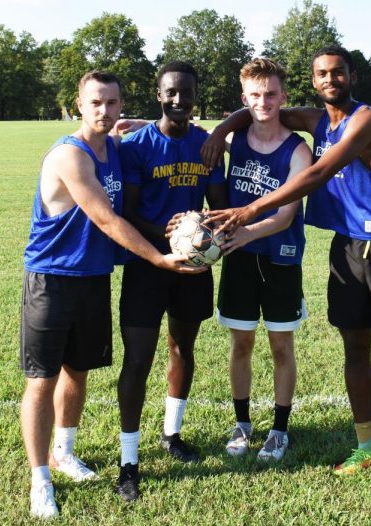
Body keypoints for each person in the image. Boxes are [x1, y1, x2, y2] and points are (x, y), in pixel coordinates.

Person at [200, 45, 371, 516]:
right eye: (321, 73)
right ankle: (368, 444)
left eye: (337, 72)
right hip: (346, 249)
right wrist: (220, 129)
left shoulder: (367, 120)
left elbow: (320, 171)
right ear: (314, 79)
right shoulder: (317, 118)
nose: (329, 79)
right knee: (354, 350)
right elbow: (256, 107)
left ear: (351, 75)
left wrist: (249, 210)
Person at [20, 71, 202, 518]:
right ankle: (40, 477)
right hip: (52, 279)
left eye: (113, 103)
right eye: (95, 103)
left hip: (94, 277)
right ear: (77, 105)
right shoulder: (71, 156)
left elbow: (151, 129)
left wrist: (138, 124)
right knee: (42, 381)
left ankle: (64, 451)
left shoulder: (116, 150)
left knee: (77, 371)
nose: (105, 111)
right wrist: (158, 259)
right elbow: (106, 219)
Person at [114, 61, 227, 502]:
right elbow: (129, 212)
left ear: (196, 96)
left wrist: (201, 226)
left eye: (187, 93)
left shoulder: (208, 145)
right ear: (158, 94)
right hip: (148, 265)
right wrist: (168, 237)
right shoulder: (136, 146)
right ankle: (129, 461)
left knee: (184, 347)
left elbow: (217, 203)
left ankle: (172, 434)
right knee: (138, 360)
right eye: (171, 93)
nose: (179, 100)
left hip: (193, 269)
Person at [215, 58, 313, 462]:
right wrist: (137, 127)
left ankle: (279, 429)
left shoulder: (298, 150)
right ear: (244, 99)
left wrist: (242, 232)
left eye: (271, 93)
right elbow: (188, 137)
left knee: (280, 345)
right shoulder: (234, 140)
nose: (264, 101)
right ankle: (242, 423)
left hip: (279, 259)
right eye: (255, 95)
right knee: (240, 343)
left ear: (283, 96)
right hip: (239, 261)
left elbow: (285, 215)